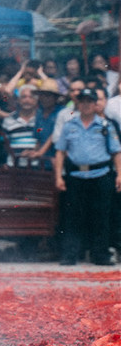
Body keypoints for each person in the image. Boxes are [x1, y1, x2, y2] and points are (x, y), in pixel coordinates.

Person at [52, 87, 121, 268]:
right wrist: (59, 176)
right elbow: (60, 152)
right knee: (73, 217)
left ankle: (100, 255)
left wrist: (120, 174)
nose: (86, 105)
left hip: (101, 174)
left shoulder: (105, 126)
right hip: (76, 175)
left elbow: (116, 152)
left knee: (101, 217)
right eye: (82, 101)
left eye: (90, 101)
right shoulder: (70, 125)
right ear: (78, 103)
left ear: (95, 104)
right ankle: (70, 254)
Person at [0, 85, 53, 168]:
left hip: (38, 166)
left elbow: (47, 141)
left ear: (36, 100)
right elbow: (4, 145)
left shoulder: (43, 119)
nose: (27, 100)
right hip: (14, 166)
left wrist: (34, 152)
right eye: (23, 97)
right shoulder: (9, 120)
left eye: (31, 97)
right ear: (18, 100)